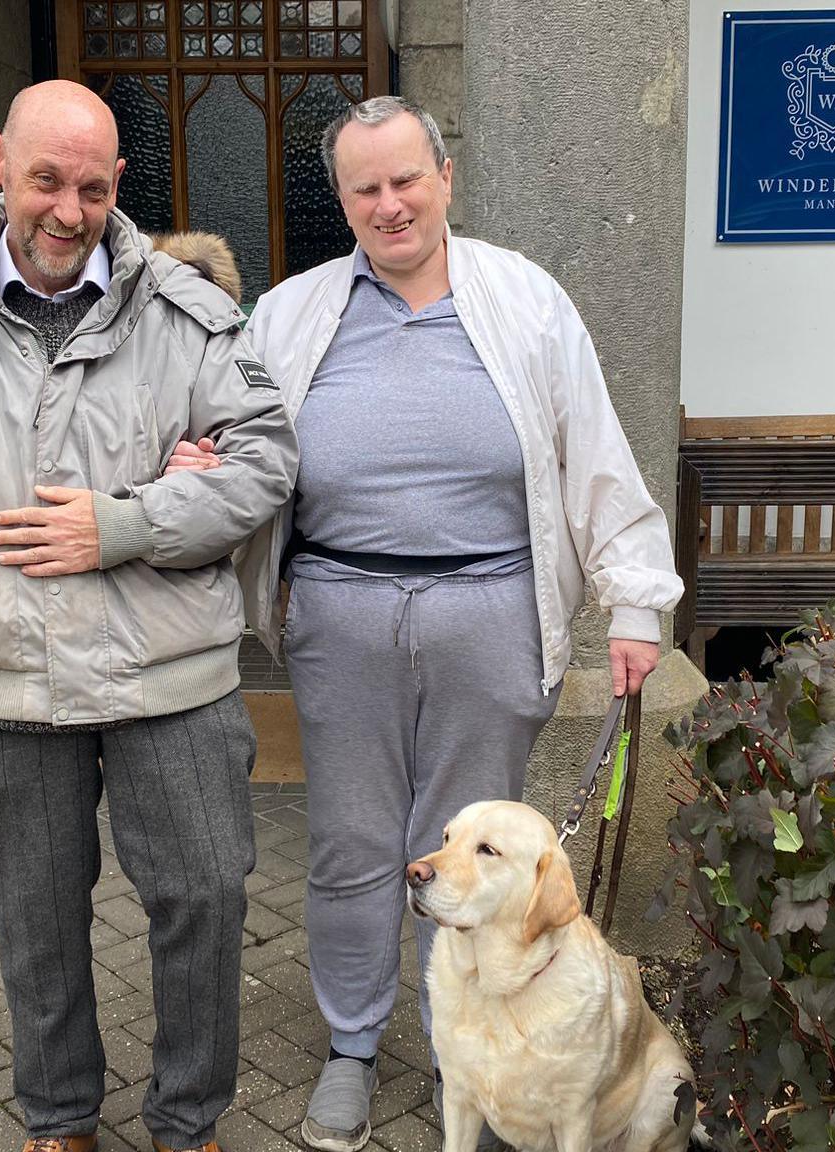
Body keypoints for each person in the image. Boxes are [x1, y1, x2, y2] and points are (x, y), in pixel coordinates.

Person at [171, 95, 682, 1151]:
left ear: (443, 178)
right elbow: (235, 440)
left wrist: (635, 602)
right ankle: (353, 1048)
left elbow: (593, 454)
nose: (389, 203)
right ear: (343, 200)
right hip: (340, 611)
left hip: (488, 611)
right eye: (365, 187)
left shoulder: (525, 301)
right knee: (355, 845)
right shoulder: (291, 311)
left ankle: (477, 1062)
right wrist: (195, 464)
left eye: (407, 179)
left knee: (476, 855)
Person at [0, 80, 295, 1152]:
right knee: (36, 923)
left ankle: (188, 1123)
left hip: (169, 676)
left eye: (92, 187)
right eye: (46, 178)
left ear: (118, 187)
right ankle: (59, 1121)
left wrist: (131, 523)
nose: (67, 209)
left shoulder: (187, 310)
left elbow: (268, 456)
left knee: (204, 901)